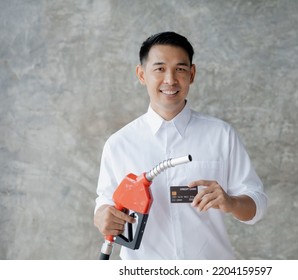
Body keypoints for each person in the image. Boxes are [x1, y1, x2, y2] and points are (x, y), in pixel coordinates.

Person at [94, 31, 268, 259]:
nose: (170, 80)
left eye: (180, 69)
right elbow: (105, 203)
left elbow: (257, 205)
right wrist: (102, 216)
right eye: (159, 69)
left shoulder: (221, 135)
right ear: (141, 74)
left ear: (192, 74)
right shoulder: (119, 144)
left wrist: (232, 202)